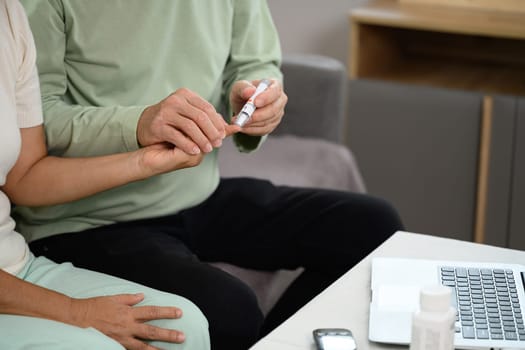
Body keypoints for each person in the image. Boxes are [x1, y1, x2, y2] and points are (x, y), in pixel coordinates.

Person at [18, 1, 404, 349]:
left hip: (196, 191)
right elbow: (34, 119)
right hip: (86, 219)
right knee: (229, 311)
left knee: (372, 227)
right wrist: (138, 123)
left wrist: (256, 95)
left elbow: (256, 63)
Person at [0, 0, 211, 348]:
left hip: (15, 265)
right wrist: (75, 311)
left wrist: (144, 162)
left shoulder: (10, 15)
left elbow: (25, 178)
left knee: (185, 329)